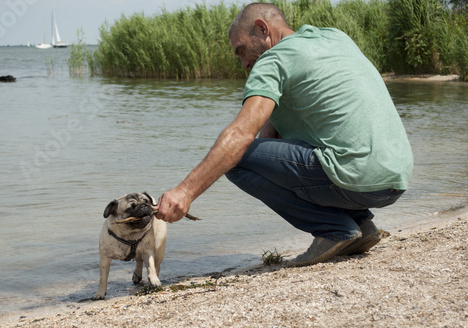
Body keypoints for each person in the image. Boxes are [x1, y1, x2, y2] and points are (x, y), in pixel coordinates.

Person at [155, 3, 413, 266]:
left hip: (356, 179)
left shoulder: (273, 60)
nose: (244, 64)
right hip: (395, 179)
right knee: (279, 150)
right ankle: (362, 225)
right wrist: (266, 168)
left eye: (242, 51)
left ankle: (335, 229)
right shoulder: (333, 37)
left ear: (262, 28)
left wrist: (185, 192)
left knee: (234, 159)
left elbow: (241, 135)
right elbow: (271, 136)